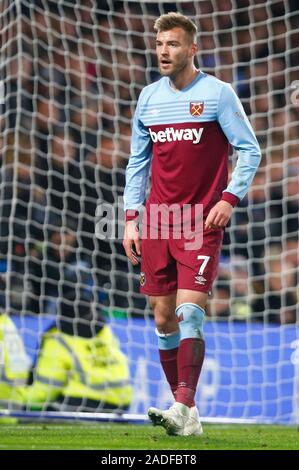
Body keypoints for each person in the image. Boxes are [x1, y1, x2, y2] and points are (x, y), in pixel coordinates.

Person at [123, 12, 261, 435]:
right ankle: (189, 414)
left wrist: (228, 198)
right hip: (159, 221)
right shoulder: (148, 98)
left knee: (189, 312)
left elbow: (249, 150)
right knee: (163, 319)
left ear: (192, 48)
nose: (164, 51)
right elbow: (137, 162)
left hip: (200, 221)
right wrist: (131, 218)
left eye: (174, 44)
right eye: (161, 44)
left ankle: (181, 406)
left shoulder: (218, 95)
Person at [15, 289, 132, 412]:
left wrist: (18, 399)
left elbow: (44, 392)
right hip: (121, 404)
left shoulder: (58, 340)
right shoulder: (104, 331)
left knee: (37, 410)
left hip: (82, 404)